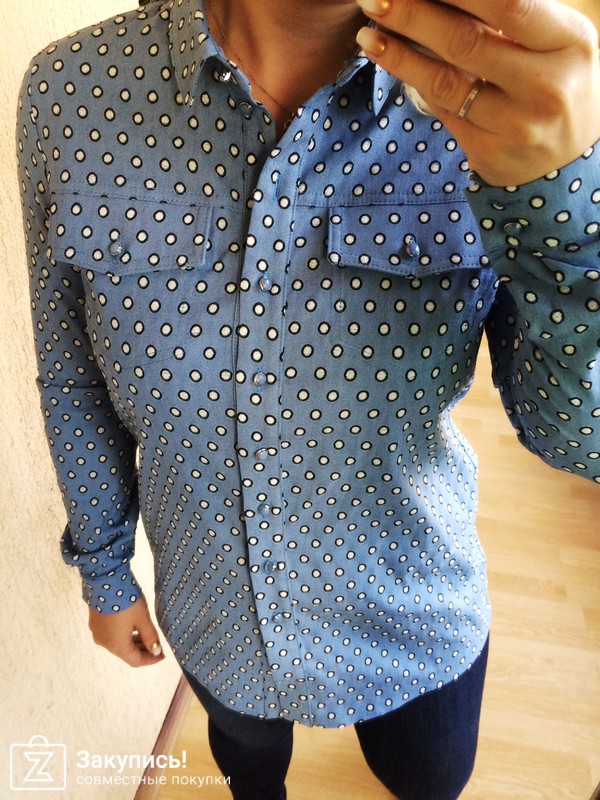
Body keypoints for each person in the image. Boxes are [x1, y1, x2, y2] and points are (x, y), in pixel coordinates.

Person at [16, 0, 600, 798]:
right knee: (251, 777)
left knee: (431, 781)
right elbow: (72, 373)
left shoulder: (504, 111)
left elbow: (579, 441)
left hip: (417, 616)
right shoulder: (71, 92)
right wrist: (106, 573)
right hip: (217, 621)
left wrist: (570, 212)